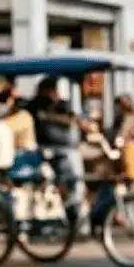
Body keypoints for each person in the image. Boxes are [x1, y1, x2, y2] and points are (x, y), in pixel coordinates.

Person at [26, 78, 85, 206]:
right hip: (46, 149)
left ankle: (71, 205)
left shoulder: (62, 105)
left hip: (67, 149)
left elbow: (73, 119)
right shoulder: (34, 105)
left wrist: (50, 116)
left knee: (73, 180)